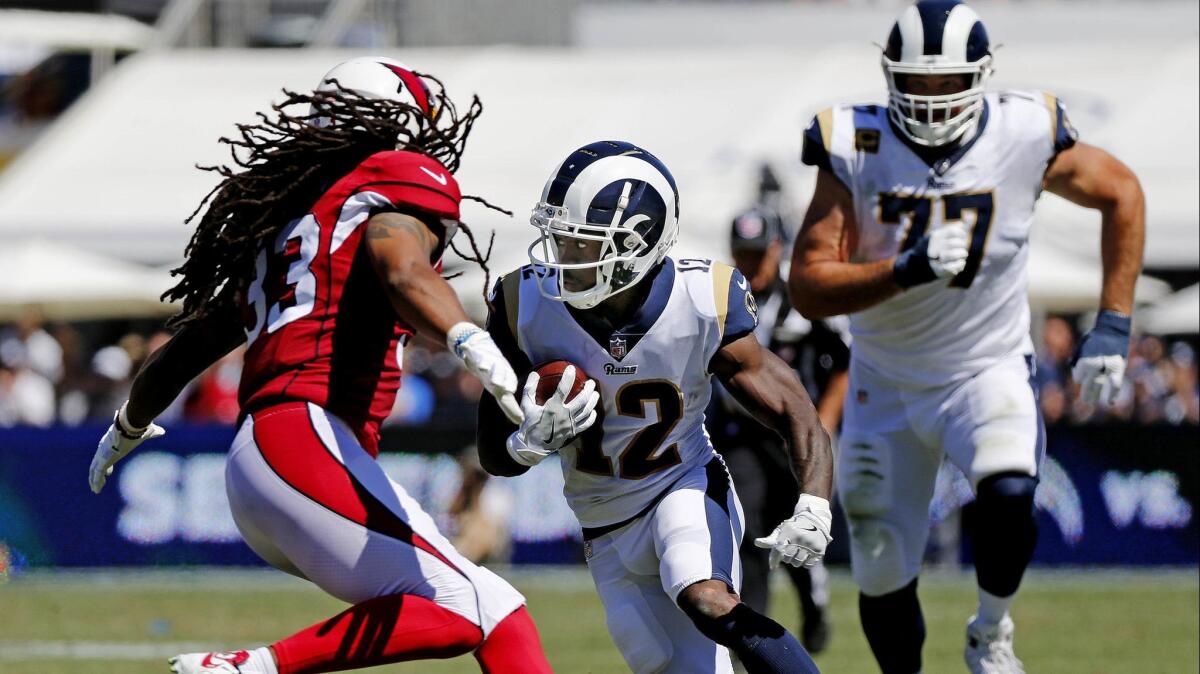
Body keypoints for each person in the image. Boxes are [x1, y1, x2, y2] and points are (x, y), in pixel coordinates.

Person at [86, 57, 552, 674]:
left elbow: (191, 347)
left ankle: (257, 666)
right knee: (474, 608)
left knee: (495, 614)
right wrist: (470, 338)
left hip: (271, 459)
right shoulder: (392, 180)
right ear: (393, 121)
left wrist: (128, 423)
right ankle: (249, 667)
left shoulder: (281, 223)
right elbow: (400, 265)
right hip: (304, 441)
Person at [788, 2, 1145, 673]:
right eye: (915, 82)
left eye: (946, 82)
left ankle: (990, 629)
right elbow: (807, 283)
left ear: (979, 76)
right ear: (889, 75)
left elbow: (1122, 192)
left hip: (986, 366)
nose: (929, 97)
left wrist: (1114, 323)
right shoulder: (854, 142)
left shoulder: (1023, 129)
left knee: (1010, 491)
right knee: (883, 567)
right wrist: (905, 269)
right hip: (884, 381)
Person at [476, 140, 832, 674]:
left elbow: (794, 408)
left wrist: (814, 506)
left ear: (635, 245)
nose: (561, 258)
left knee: (707, 598)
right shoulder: (523, 305)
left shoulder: (700, 298)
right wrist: (528, 443)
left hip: (680, 485)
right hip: (601, 524)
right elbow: (491, 451)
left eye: (580, 244)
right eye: (562, 239)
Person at [707, 202, 850, 653]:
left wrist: (823, 420)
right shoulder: (720, 294)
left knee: (798, 532)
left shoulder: (801, 296)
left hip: (795, 434)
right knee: (746, 529)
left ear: (776, 247)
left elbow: (847, 361)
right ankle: (753, 637)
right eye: (741, 252)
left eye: (757, 252)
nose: (750, 263)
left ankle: (814, 603)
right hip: (741, 433)